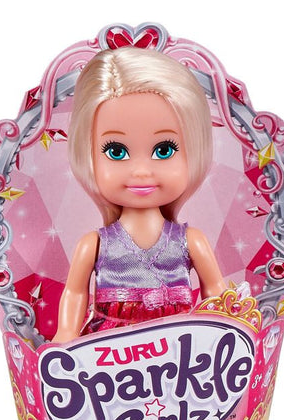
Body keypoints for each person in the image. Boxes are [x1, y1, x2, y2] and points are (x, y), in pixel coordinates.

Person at [52, 46, 225, 343]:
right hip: (113, 349)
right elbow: (75, 292)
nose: (142, 171)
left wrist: (220, 329)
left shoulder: (189, 241)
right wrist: (66, 333)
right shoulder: (95, 245)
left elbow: (215, 291)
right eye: (116, 152)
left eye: (164, 150)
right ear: (88, 155)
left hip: (178, 345)